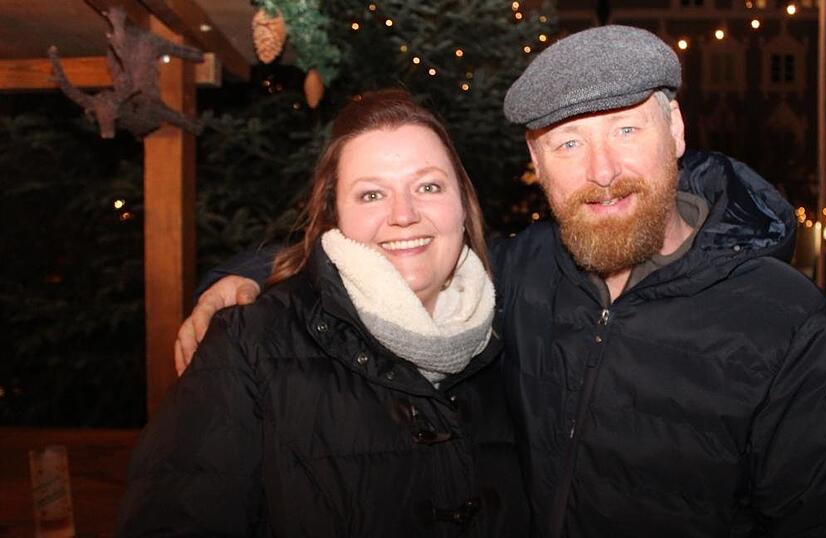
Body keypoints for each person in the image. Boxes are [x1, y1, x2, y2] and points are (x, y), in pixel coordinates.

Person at [177, 26, 826, 536]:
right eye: (568, 143)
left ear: (674, 131)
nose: (602, 171)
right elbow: (401, 250)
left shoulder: (788, 326)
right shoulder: (520, 276)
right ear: (537, 161)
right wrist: (238, 282)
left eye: (626, 130)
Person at [116, 89, 530, 536]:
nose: (404, 214)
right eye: (371, 195)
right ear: (336, 217)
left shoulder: (511, 332)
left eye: (428, 186)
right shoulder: (248, 346)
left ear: (463, 207)